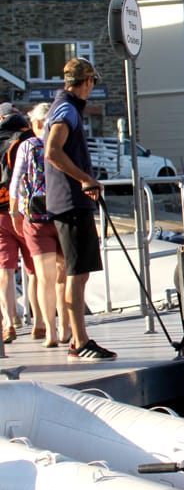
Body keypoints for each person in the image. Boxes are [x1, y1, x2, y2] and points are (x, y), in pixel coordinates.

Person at [44, 57, 115, 361]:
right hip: (71, 202)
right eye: (93, 82)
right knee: (77, 272)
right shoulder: (67, 110)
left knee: (77, 272)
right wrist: (86, 179)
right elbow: (52, 152)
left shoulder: (63, 106)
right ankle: (79, 341)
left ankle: (78, 337)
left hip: (69, 200)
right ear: (87, 82)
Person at [11, 102, 70, 348]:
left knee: (44, 278)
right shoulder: (63, 143)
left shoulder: (27, 146)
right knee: (64, 277)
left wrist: (16, 212)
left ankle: (50, 333)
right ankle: (67, 328)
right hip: (62, 214)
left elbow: (16, 182)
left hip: (34, 218)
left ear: (35, 124)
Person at [0, 102, 37, 344]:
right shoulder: (28, 137)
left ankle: (9, 320)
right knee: (35, 268)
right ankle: (40, 322)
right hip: (24, 210)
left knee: (4, 269)